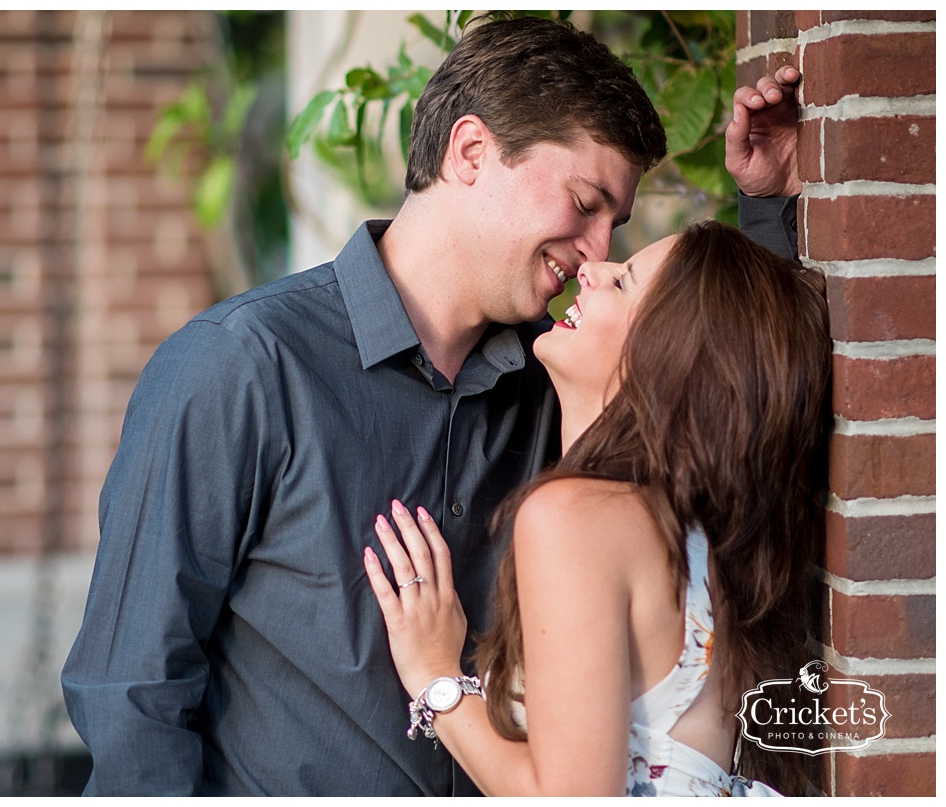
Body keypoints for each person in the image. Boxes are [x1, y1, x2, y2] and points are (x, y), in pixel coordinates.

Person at [61, 13, 800, 795]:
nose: (596, 251)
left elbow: (733, 419)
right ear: (471, 150)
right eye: (585, 202)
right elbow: (132, 697)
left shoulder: (562, 390)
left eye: (613, 224)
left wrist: (771, 213)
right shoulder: (239, 367)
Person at [363, 221, 831, 796]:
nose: (591, 269)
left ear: (671, 352)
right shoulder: (702, 535)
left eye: (623, 282)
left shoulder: (576, 517)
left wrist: (435, 676)